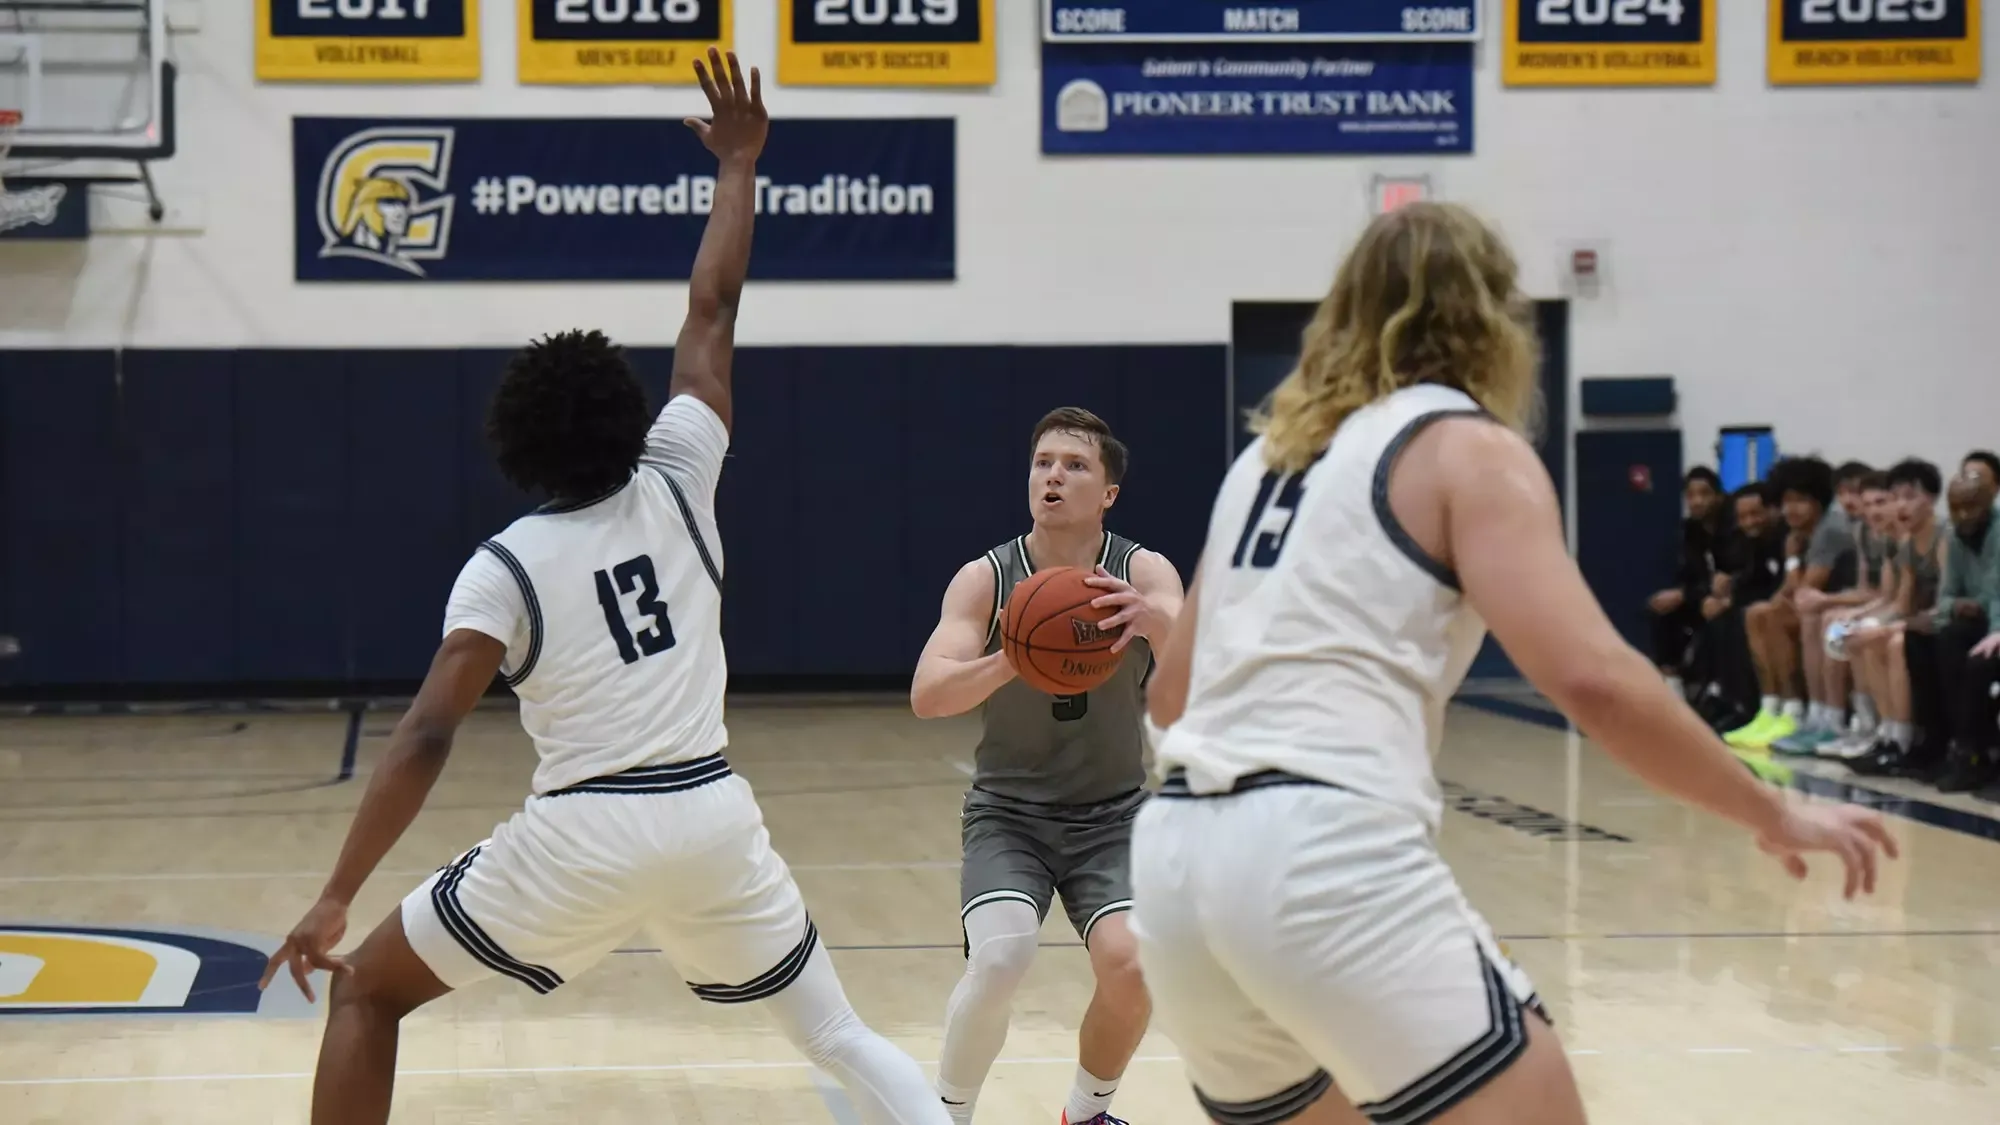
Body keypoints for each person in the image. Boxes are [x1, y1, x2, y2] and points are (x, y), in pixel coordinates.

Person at [257, 52, 951, 1125]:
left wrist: (337, 892)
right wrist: (738, 165)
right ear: (625, 418)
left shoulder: (504, 565)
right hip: (712, 817)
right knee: (838, 1036)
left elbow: (427, 737)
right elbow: (711, 306)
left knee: (368, 996)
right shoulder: (677, 475)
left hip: (580, 833)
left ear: (514, 447)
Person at [1128, 202, 1896, 1125]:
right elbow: (1594, 680)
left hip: (1174, 860)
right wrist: (1768, 806)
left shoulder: (1262, 464)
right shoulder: (1467, 447)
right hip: (1317, 845)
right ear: (1492, 318)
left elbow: (1170, 695)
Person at [910, 406, 1186, 1125]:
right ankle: (947, 1114)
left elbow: (1200, 660)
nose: (1053, 476)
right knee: (1001, 956)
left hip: (1115, 813)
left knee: (1133, 964)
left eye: (1075, 464)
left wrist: (1152, 622)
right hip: (1011, 814)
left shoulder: (1140, 568)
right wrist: (1012, 656)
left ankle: (1085, 1115)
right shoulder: (987, 577)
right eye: (1042, 462)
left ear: (1109, 493)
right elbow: (927, 694)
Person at [1647, 466, 1725, 698]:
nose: (1697, 501)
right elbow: (1691, 575)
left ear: (1718, 496)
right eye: (1691, 495)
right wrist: (1683, 594)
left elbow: (1733, 573)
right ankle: (1672, 682)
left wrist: (1690, 594)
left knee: (1719, 617)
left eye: (1704, 494)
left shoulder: (1732, 528)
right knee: (1661, 610)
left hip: (1730, 597)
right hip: (1700, 596)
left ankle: (1719, 689)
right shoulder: (1689, 531)